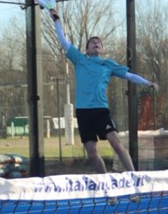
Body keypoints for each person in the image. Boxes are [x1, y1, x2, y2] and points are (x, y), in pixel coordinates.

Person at [49, 10, 157, 173]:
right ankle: (106, 181)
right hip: (83, 112)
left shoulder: (108, 64)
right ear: (87, 49)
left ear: (102, 48)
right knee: (92, 153)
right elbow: (63, 41)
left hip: (100, 110)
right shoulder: (79, 59)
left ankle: (134, 177)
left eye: (98, 42)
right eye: (92, 42)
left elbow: (130, 76)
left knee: (116, 143)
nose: (96, 43)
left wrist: (147, 83)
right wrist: (56, 19)